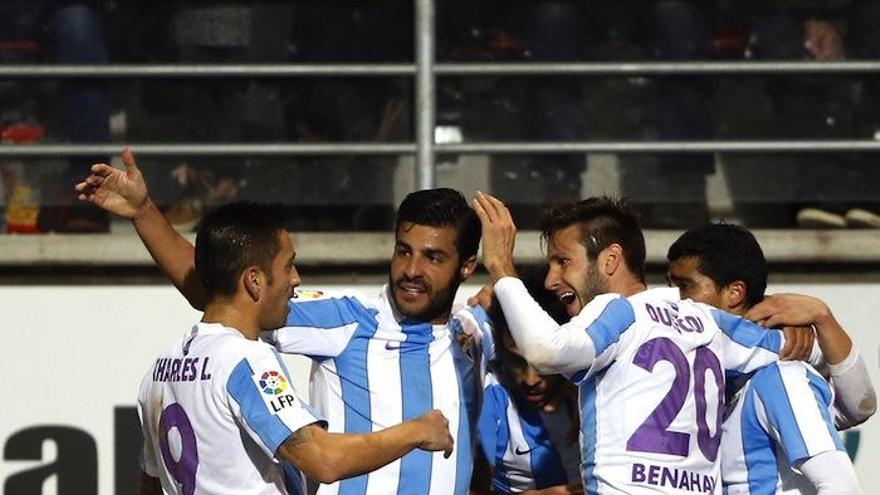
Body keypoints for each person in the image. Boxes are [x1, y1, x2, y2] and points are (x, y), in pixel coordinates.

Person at [76, 149, 491, 494]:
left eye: (433, 257)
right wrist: (145, 213)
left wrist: (506, 277)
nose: (411, 269)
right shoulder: (344, 320)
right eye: (403, 251)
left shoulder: (477, 328)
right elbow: (221, 286)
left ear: (467, 265)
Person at [472, 192, 805, 494]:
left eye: (562, 261)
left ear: (610, 259)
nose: (551, 279)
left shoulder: (617, 311)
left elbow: (547, 350)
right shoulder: (707, 320)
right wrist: (817, 320)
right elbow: (799, 351)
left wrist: (501, 268)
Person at [135, 201, 454, 495]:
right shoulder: (244, 360)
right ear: (254, 281)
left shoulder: (160, 370)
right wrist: (417, 430)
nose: (296, 280)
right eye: (288, 266)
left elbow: (149, 482)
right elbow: (322, 459)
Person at [666, 223, 874, 493]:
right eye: (669, 284)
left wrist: (821, 316)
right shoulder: (696, 371)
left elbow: (842, 482)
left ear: (735, 293)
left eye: (685, 286)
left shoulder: (779, 377)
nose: (672, 299)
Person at [475, 268, 581, 494]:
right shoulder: (490, 397)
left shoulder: (599, 384)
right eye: (517, 360)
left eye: (544, 363)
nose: (530, 379)